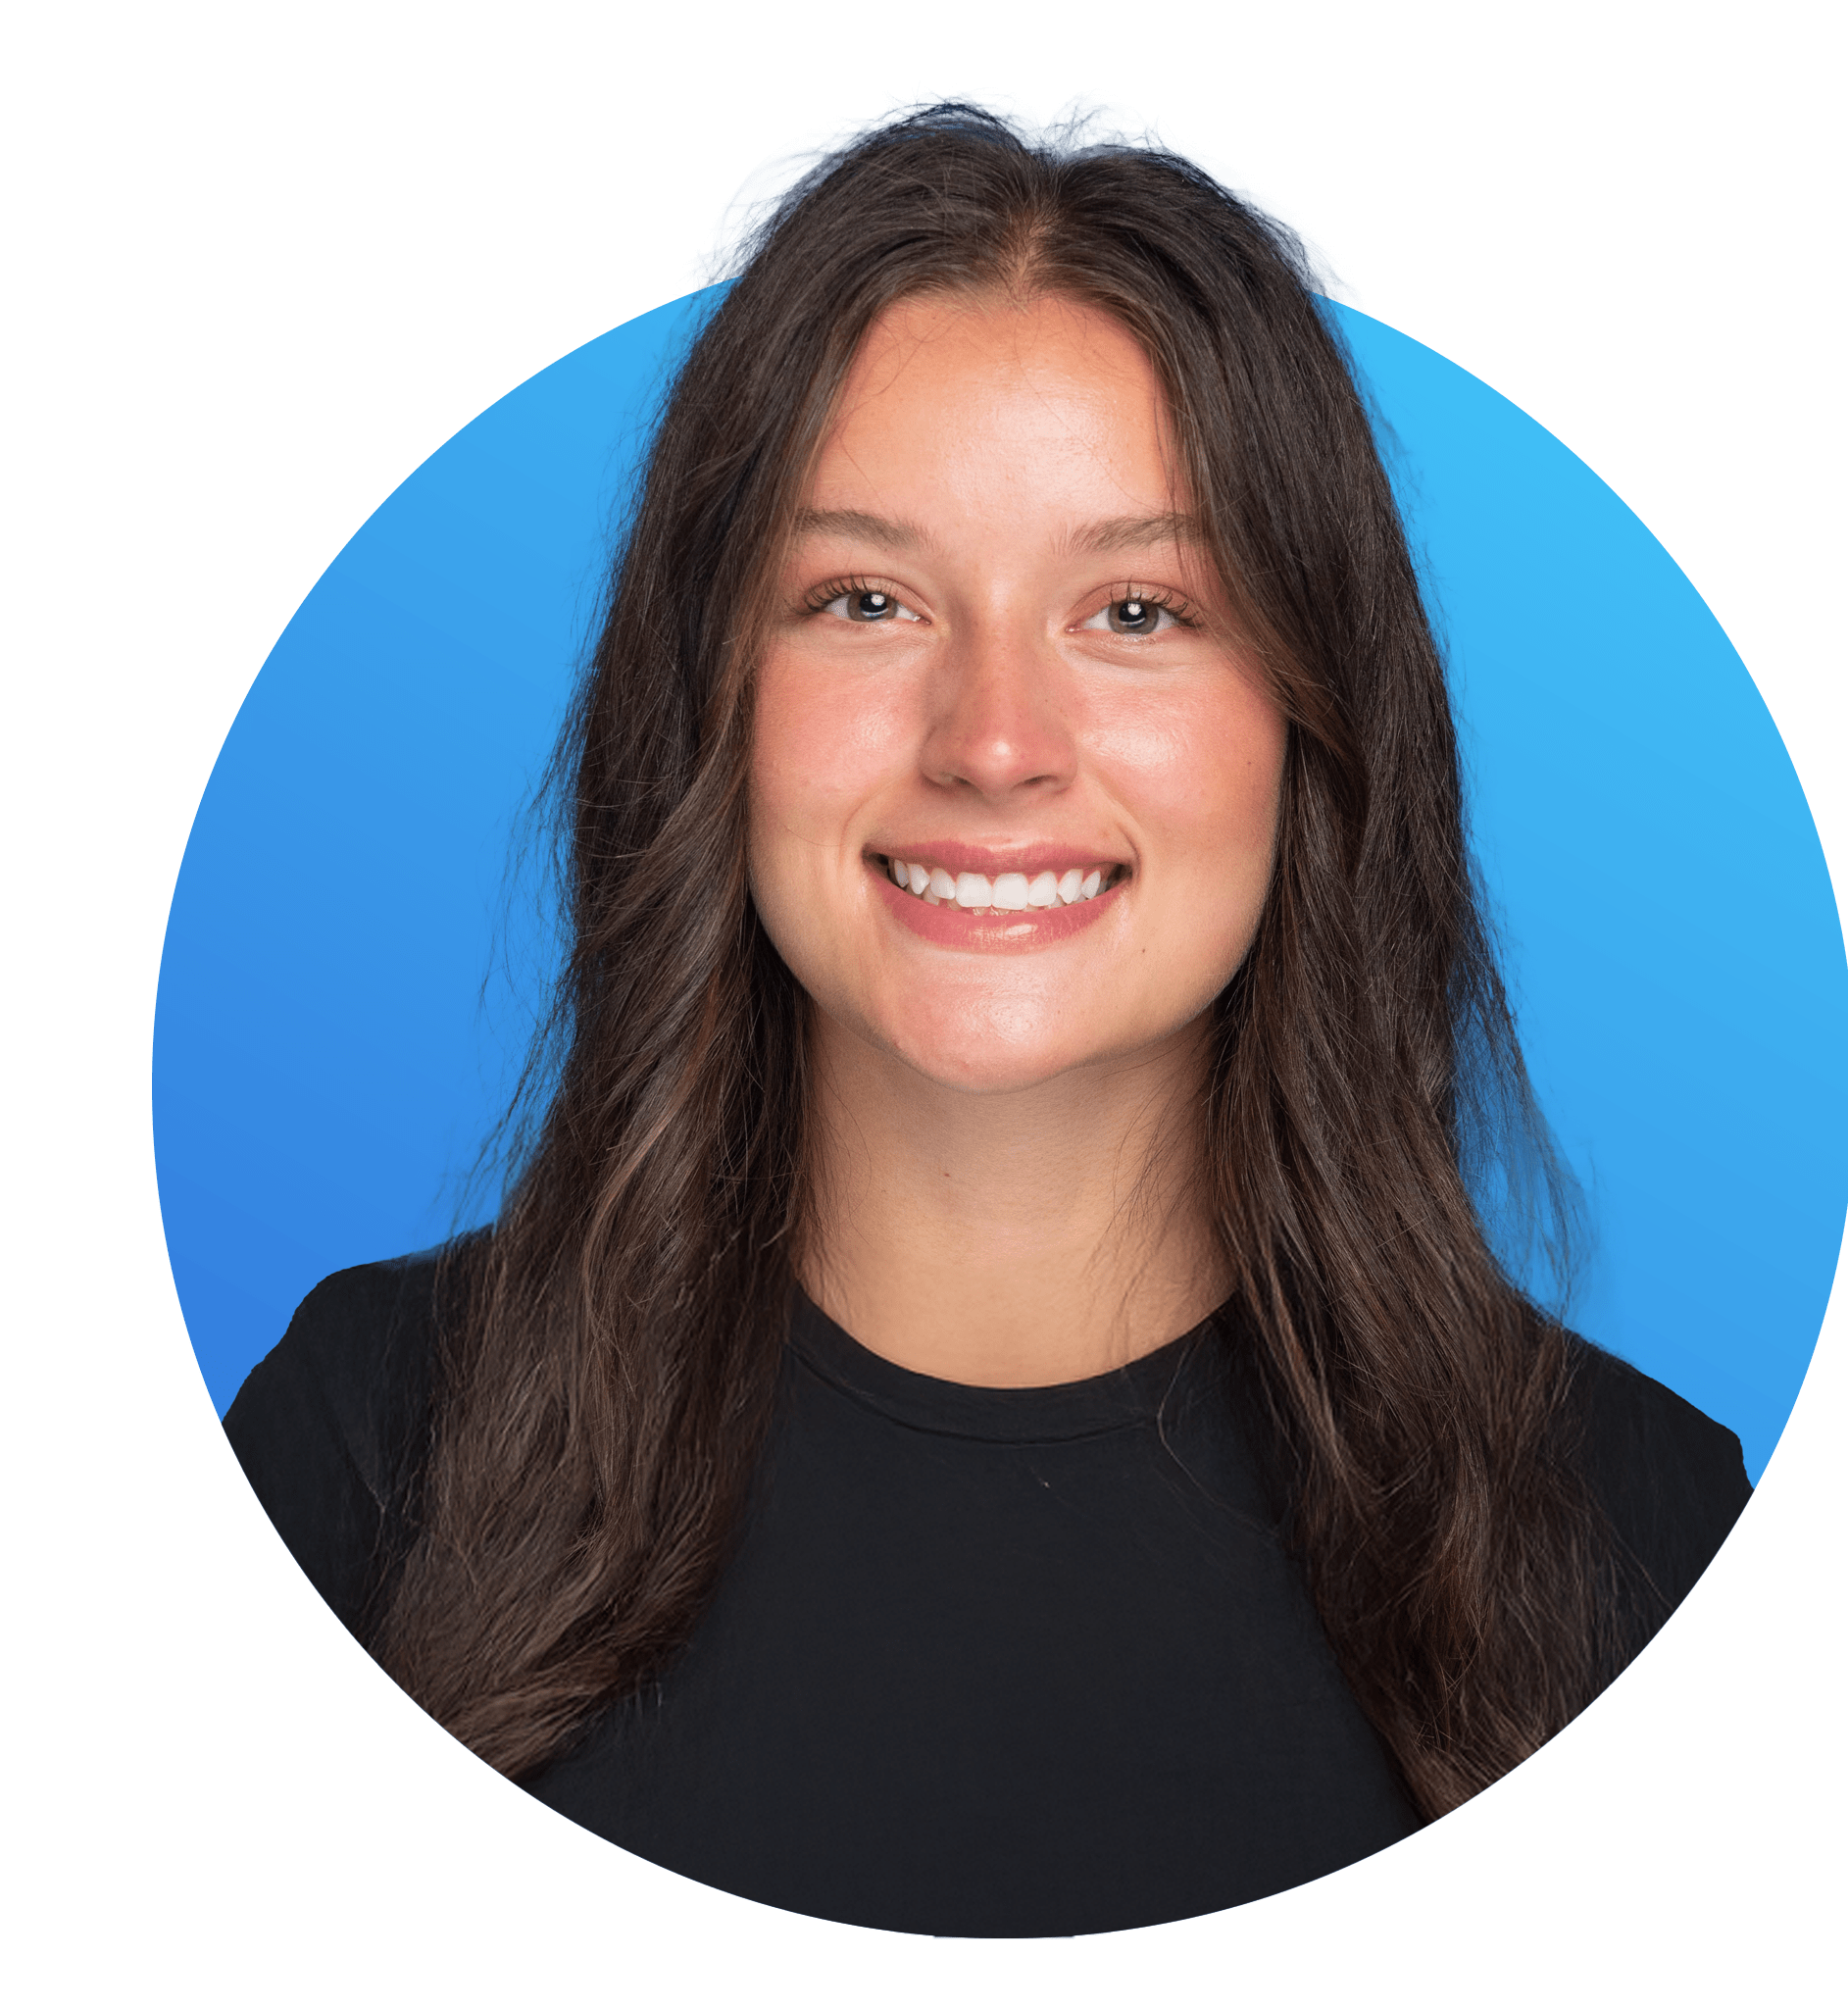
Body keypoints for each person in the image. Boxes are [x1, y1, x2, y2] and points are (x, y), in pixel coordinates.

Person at [224, 98, 1750, 1937]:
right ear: (710, 694)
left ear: (1311, 721)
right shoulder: (364, 1452)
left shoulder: (1640, 1533)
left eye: (1136, 608)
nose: (994, 742)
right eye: (863, 598)